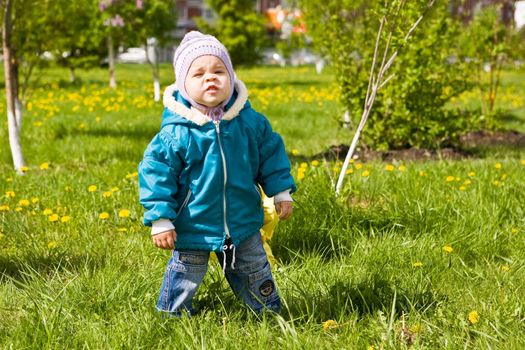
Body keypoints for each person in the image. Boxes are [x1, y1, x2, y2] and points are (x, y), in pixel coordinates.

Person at [138, 31, 296, 316]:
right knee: (185, 273)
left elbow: (271, 156)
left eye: (218, 71)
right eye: (198, 74)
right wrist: (161, 219)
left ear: (231, 77)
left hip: (243, 219)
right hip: (193, 222)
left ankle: (267, 313)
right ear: (183, 85)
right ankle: (172, 314)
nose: (210, 78)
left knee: (254, 268)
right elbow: (155, 174)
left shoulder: (249, 122)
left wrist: (281, 192)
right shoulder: (176, 132)